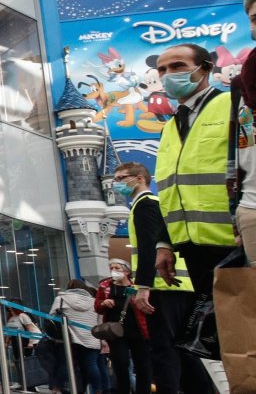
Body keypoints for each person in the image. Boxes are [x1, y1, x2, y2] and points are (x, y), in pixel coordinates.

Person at [111, 161, 210, 394]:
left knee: (163, 349)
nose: (116, 184)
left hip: (162, 285)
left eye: (121, 178)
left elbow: (149, 247)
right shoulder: (156, 204)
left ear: (139, 179)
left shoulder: (144, 205)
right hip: (179, 285)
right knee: (183, 349)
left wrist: (143, 286)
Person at [153, 43, 240, 295]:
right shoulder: (170, 127)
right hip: (192, 246)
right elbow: (172, 191)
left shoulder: (235, 104)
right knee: (216, 316)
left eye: (177, 66)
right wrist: (164, 242)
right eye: (162, 70)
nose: (168, 74)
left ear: (206, 68)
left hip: (236, 240)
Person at [93, 259, 150, 394]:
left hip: (138, 331)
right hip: (115, 333)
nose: (113, 271)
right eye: (111, 268)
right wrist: (103, 303)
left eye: (117, 268)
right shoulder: (105, 286)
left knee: (143, 366)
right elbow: (97, 307)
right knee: (120, 364)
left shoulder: (138, 286)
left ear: (127, 271)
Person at [46, 280, 107, 394]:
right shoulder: (94, 302)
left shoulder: (61, 299)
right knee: (91, 365)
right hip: (91, 338)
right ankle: (98, 391)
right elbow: (99, 322)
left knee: (65, 364)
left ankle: (56, 389)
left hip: (69, 338)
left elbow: (52, 317)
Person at [231, 0, 256, 264]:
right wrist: (236, 212)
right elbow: (238, 150)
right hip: (251, 207)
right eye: (255, 18)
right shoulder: (241, 84)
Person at [2, 303, 38, 392]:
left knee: (26, 362)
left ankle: (31, 384)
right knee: (18, 362)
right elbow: (9, 332)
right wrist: (6, 342)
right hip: (15, 341)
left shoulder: (22, 316)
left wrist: (31, 342)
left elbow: (30, 329)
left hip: (24, 340)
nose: (9, 308)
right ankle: (22, 382)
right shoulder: (10, 318)